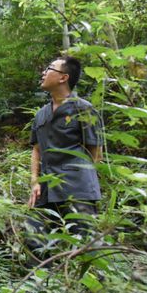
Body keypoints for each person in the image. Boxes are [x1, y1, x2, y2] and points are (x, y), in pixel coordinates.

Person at [27, 56, 104, 263]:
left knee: (84, 249)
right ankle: (40, 291)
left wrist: (79, 179)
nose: (43, 73)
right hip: (45, 191)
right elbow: (36, 150)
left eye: (49, 68)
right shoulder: (41, 115)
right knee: (35, 243)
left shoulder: (84, 109)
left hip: (78, 191)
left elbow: (95, 152)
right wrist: (35, 181)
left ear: (64, 77)